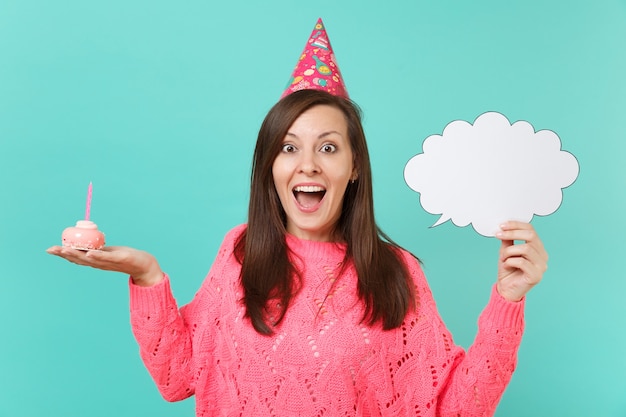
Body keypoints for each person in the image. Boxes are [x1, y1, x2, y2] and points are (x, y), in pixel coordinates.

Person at [47, 20, 548, 417]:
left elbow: (455, 409)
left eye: (328, 148)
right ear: (270, 166)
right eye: (289, 147)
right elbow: (179, 377)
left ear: (354, 169)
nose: (307, 164)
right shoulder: (238, 252)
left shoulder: (398, 272)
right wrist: (147, 275)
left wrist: (508, 299)